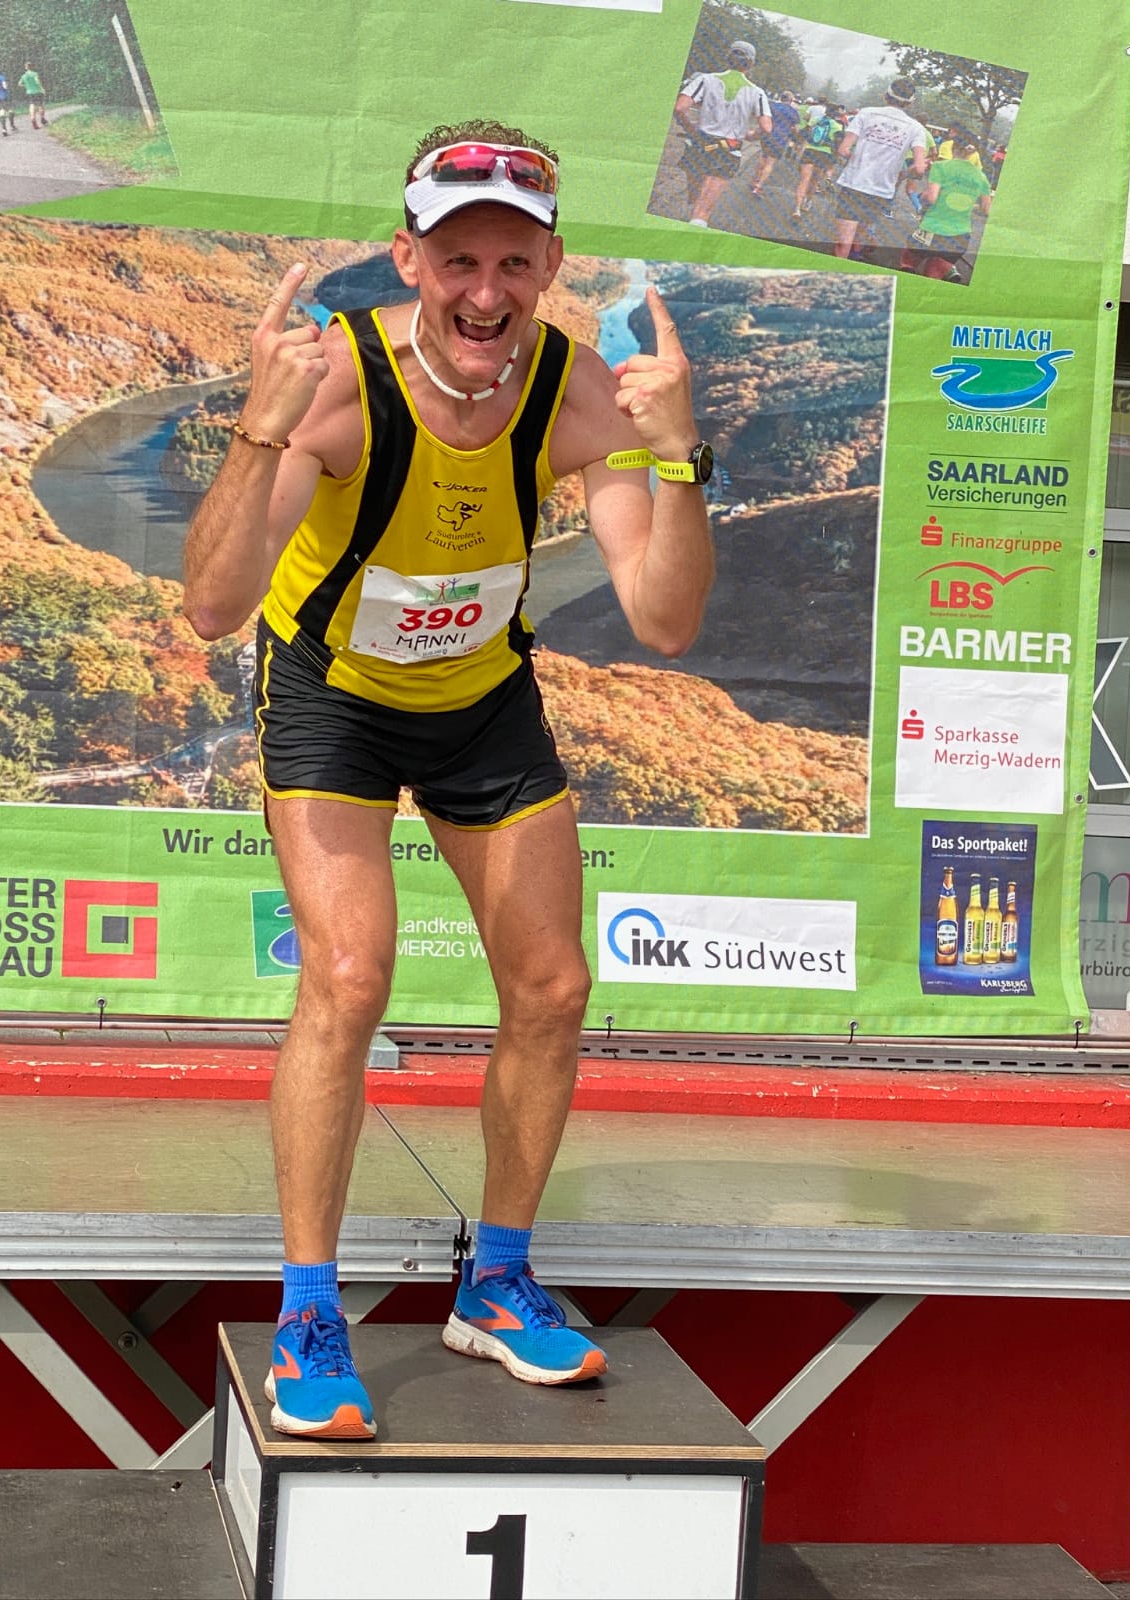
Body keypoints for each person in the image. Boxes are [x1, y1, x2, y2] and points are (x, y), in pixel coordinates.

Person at [183, 119, 715, 1440]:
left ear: (550, 268)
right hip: (337, 699)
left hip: (480, 700)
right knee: (348, 974)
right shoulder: (339, 386)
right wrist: (257, 432)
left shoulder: (576, 391)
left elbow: (661, 618)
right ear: (409, 259)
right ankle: (310, 1313)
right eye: (459, 259)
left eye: (514, 262)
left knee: (553, 985)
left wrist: (679, 458)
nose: (487, 292)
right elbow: (212, 606)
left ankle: (498, 1285)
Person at [672, 40, 771, 227]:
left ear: (728, 58)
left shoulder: (705, 79)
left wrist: (690, 129)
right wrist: (751, 135)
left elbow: (679, 108)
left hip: (699, 145)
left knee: (695, 199)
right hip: (728, 150)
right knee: (703, 210)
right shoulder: (757, 93)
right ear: (751, 64)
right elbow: (766, 128)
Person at [832, 78, 929, 260]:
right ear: (910, 102)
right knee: (859, 238)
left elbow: (843, 150)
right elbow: (919, 169)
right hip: (882, 190)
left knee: (843, 241)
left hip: (854, 183)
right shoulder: (916, 128)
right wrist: (903, 173)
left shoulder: (866, 113)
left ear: (886, 96)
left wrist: (859, 159)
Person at [899, 128, 993, 282]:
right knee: (933, 276)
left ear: (953, 146)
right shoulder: (981, 177)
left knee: (908, 261)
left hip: (932, 228)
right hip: (960, 235)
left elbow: (931, 198)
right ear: (972, 153)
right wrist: (967, 205)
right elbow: (986, 209)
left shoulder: (941, 167)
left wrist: (922, 198)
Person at [791, 99, 840, 219]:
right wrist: (833, 160)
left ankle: (797, 208)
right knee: (814, 181)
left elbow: (804, 133)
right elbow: (837, 144)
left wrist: (797, 143)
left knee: (804, 180)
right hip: (824, 154)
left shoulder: (815, 120)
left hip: (810, 151)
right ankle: (808, 202)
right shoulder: (837, 126)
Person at [750, 89, 799, 197]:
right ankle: (758, 186)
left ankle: (754, 180)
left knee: (762, 158)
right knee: (770, 163)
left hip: (767, 136)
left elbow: (763, 119)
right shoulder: (793, 112)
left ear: (781, 98)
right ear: (791, 100)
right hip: (780, 139)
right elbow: (796, 130)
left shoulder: (772, 107)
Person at [18, 62, 47, 128]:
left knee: (32, 104)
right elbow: (37, 81)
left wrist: (26, 86)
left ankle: (33, 118)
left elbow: (19, 84)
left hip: (29, 92)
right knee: (40, 105)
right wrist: (42, 88)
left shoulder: (24, 76)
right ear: (32, 67)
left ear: (26, 68)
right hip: (38, 91)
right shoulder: (35, 74)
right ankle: (42, 118)